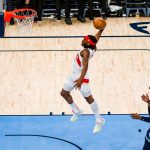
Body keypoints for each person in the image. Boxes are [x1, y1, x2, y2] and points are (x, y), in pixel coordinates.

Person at [60, 26, 106, 134]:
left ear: (88, 43)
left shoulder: (85, 52)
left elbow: (85, 67)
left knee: (89, 98)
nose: (83, 39)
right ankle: (76, 110)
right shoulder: (92, 46)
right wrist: (101, 30)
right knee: (64, 93)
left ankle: (99, 120)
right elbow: (96, 38)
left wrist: (80, 80)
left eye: (85, 39)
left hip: (81, 77)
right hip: (74, 75)